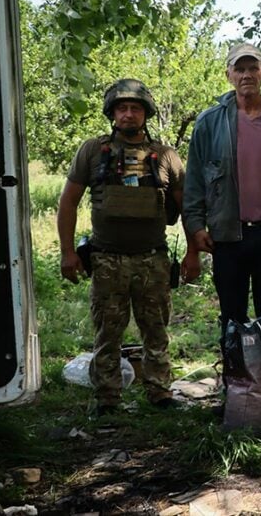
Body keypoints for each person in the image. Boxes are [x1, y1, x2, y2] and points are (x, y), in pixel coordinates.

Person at [57, 79, 185, 416]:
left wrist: (195, 252)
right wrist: (68, 253)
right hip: (106, 258)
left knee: (156, 331)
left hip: (152, 259)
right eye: (122, 108)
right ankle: (108, 398)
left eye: (136, 108)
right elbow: (68, 203)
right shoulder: (91, 151)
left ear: (146, 114)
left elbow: (188, 206)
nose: (129, 114)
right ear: (112, 113)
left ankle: (160, 393)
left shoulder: (166, 156)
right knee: (108, 332)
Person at [183, 42, 261, 344]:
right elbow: (195, 179)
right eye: (239, 69)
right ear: (228, 75)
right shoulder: (209, 123)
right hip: (227, 234)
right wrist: (196, 225)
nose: (246, 75)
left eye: (253, 68)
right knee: (231, 318)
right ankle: (237, 386)